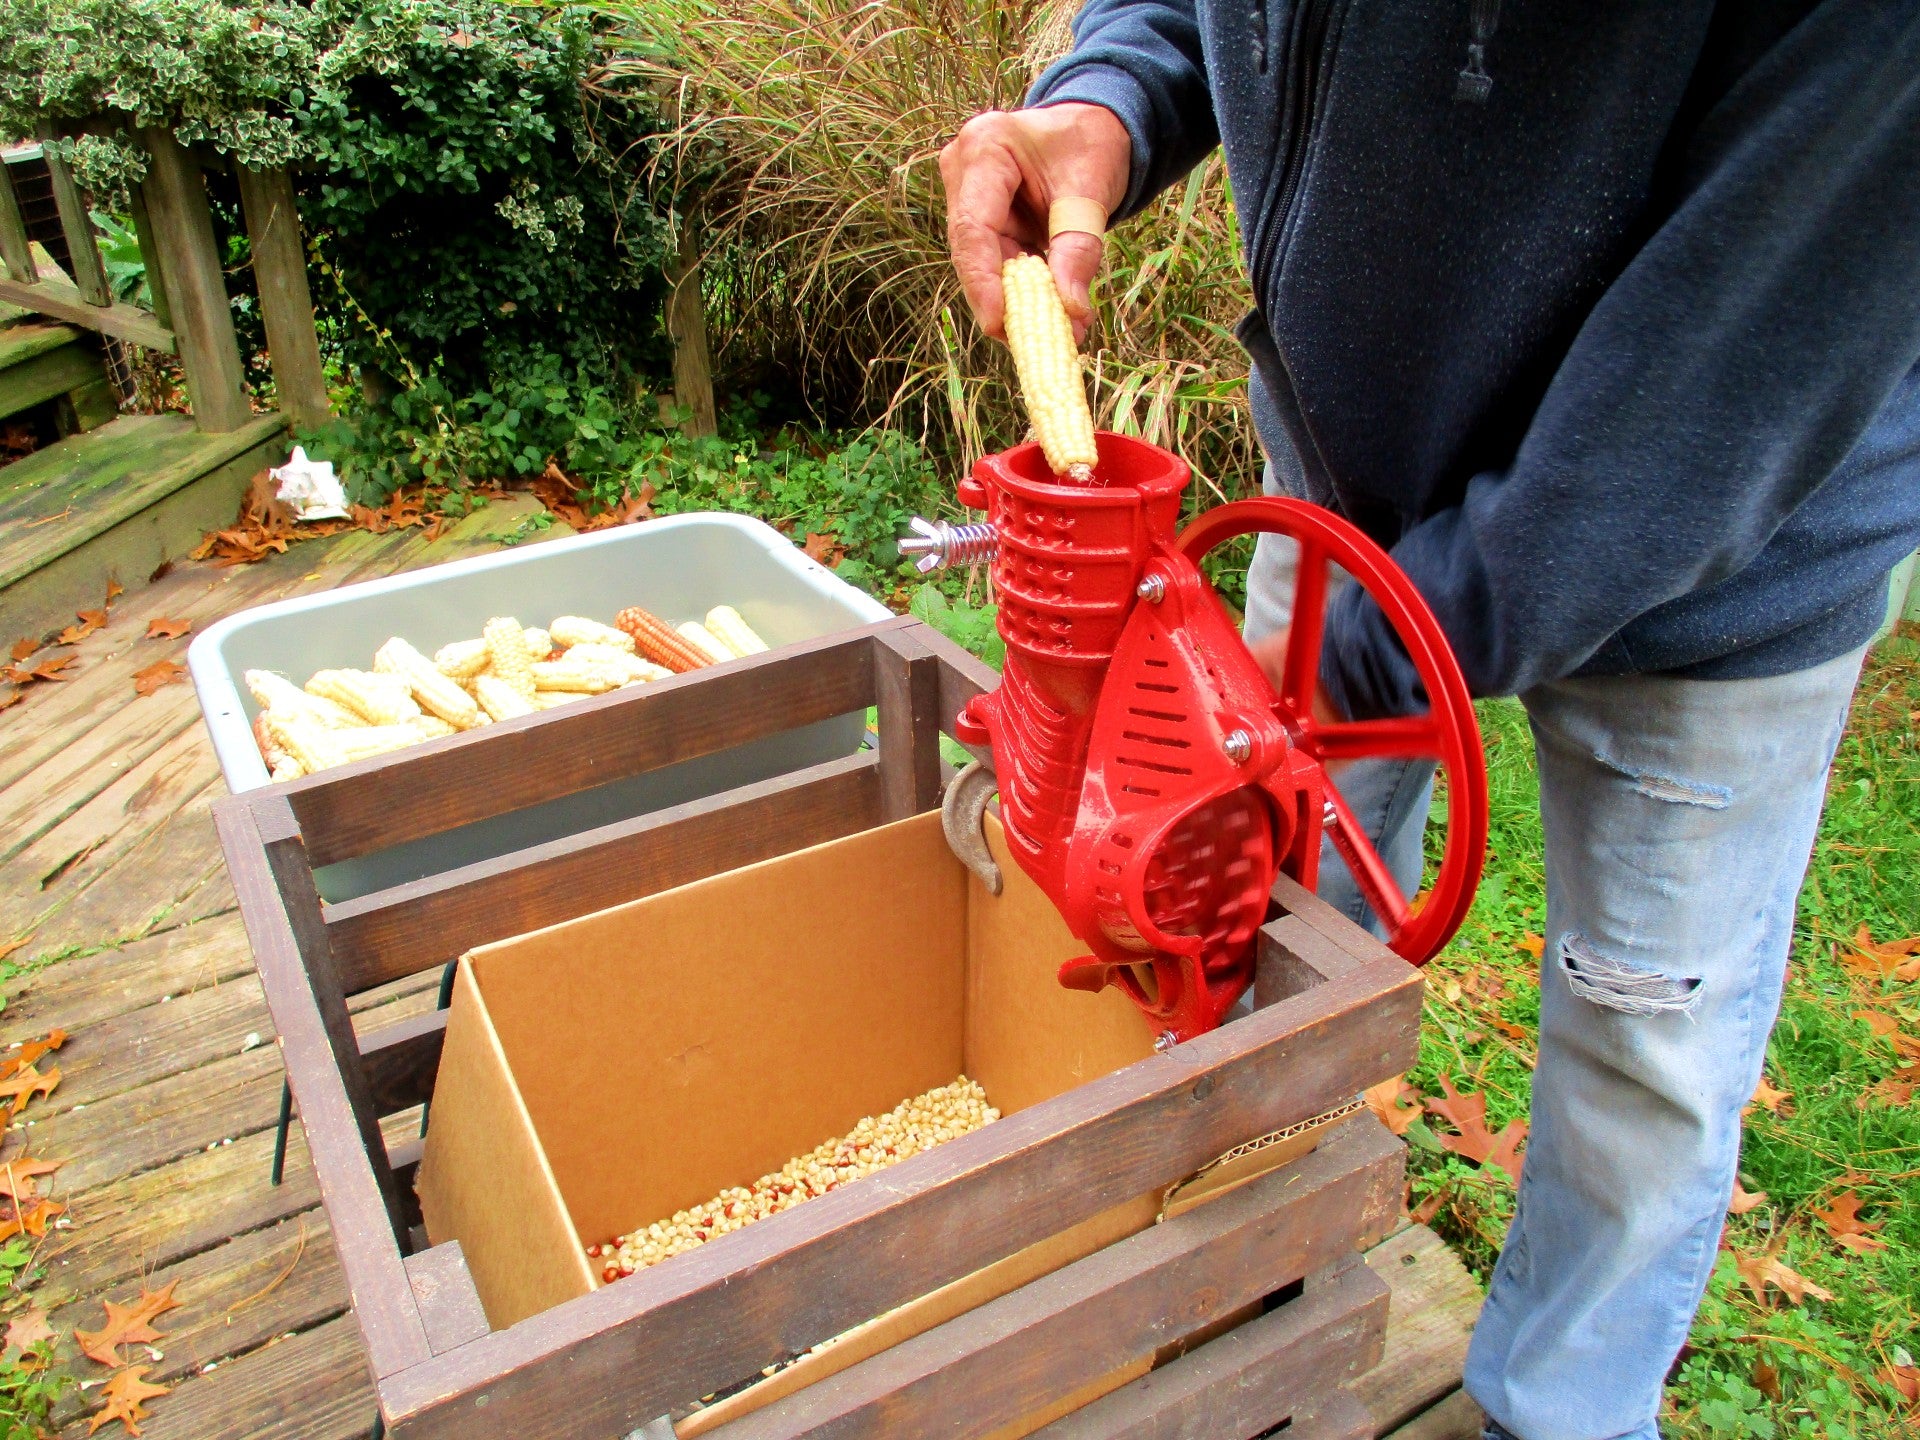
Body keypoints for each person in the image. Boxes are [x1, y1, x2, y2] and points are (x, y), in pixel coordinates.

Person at [937, 3, 1920, 1438]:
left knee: (1647, 1054)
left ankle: (1558, 1411)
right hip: (1348, 491)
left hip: (1716, 547)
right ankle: (1240, 1297)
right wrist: (1112, 98)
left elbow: (1698, 416)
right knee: (1258, 923)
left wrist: (1339, 676)